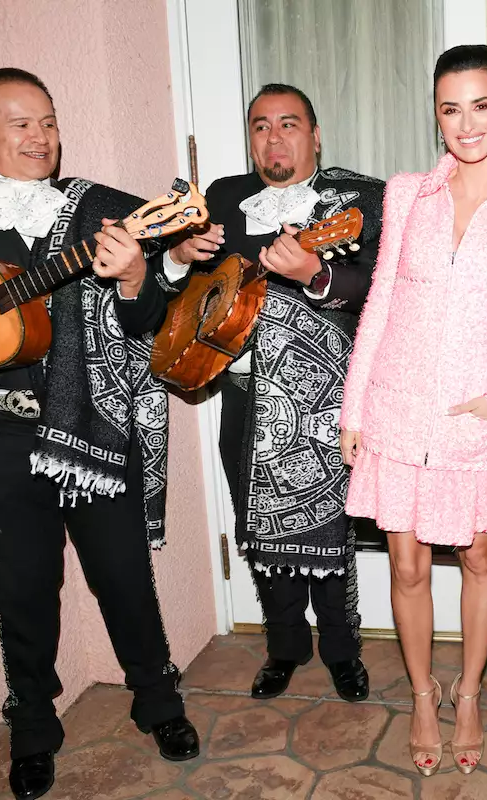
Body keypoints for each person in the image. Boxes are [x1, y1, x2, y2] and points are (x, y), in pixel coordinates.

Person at [0, 68, 200, 800]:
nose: (42, 138)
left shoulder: (95, 206)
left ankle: (157, 702)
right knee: (21, 591)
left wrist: (138, 275)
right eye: (22, 123)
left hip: (92, 427)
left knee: (125, 577)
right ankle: (33, 725)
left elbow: (151, 316)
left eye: (50, 122)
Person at [338, 44, 487, 776]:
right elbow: (379, 302)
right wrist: (354, 407)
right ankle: (422, 695)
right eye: (450, 108)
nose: (466, 123)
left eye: (481, 105)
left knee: (477, 555)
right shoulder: (407, 193)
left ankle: (467, 692)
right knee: (406, 566)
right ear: (435, 116)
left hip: (477, 417)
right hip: (397, 410)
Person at [167, 83, 383, 702]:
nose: (274, 137)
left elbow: (377, 285)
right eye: (261, 126)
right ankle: (284, 646)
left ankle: (342, 650)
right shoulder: (225, 199)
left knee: (328, 528)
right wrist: (181, 256)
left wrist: (314, 271)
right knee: (258, 528)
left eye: (289, 124)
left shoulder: (354, 200)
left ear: (315, 136)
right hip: (241, 393)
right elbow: (180, 292)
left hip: (324, 399)